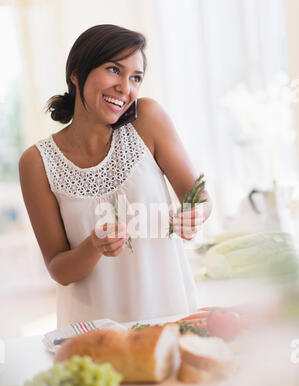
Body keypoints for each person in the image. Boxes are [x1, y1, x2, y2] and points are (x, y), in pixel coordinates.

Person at [19, 24, 212, 328]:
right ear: (77, 72)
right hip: (93, 333)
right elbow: (60, 269)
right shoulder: (36, 161)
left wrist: (194, 213)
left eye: (135, 77)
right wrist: (93, 245)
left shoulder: (148, 120)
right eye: (113, 70)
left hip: (167, 316)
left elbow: (199, 199)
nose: (126, 87)